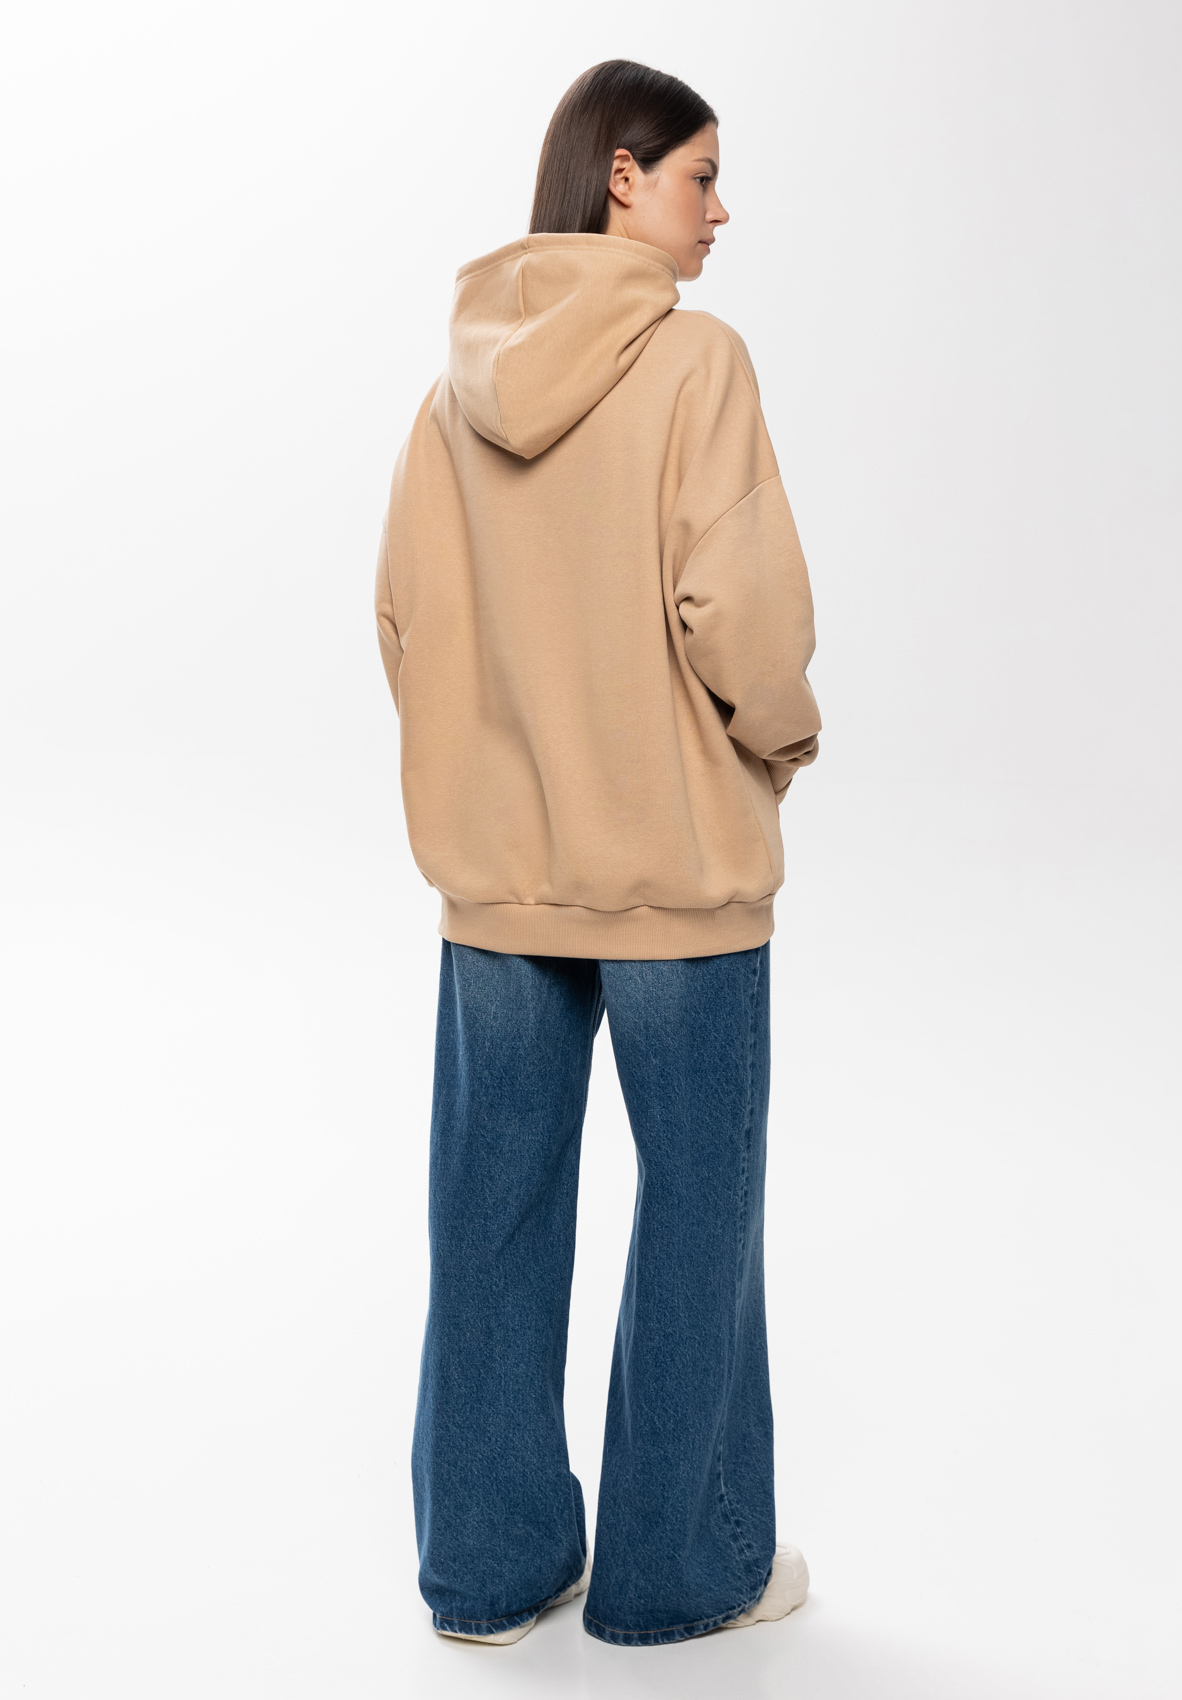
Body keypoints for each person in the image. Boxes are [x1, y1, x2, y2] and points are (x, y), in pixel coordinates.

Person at [374, 58, 820, 1649]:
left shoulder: (459, 383)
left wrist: (488, 768)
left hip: (499, 878)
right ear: (621, 176)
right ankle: (681, 1572)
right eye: (701, 174)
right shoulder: (697, 362)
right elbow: (738, 609)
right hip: (678, 873)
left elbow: (403, 616)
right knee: (701, 1209)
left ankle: (490, 1573)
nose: (720, 210)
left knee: (488, 1210)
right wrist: (779, 738)